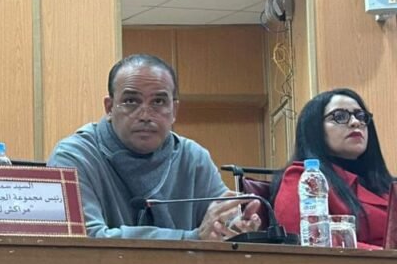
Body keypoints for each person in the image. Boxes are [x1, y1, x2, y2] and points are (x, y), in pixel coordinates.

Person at [48, 54, 262, 240]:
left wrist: (234, 227)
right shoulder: (74, 157)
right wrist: (190, 239)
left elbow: (218, 222)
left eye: (158, 102)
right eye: (131, 101)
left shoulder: (193, 158)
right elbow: (85, 239)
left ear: (174, 110)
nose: (145, 115)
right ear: (110, 107)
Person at [271, 88, 394, 249]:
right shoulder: (305, 178)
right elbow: (300, 241)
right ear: (314, 130)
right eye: (339, 116)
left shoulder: (385, 184)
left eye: (361, 116)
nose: (355, 122)